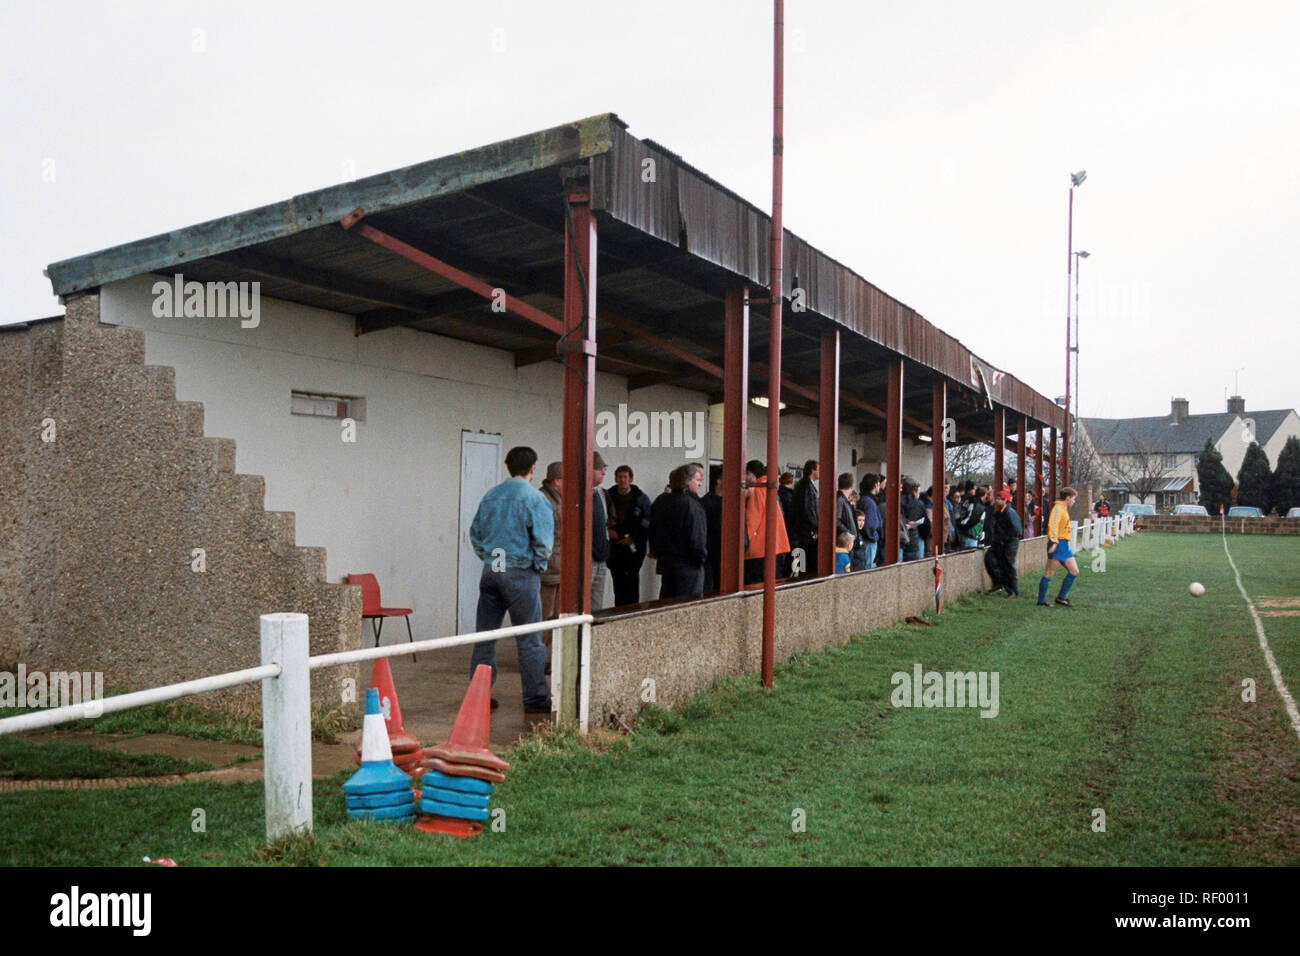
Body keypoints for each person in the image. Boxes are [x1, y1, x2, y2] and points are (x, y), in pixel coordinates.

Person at [468, 446, 553, 715]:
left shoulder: (491, 496)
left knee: (486, 636)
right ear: (533, 468)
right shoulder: (534, 498)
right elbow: (543, 541)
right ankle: (535, 698)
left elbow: (475, 533)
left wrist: (492, 558)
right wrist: (537, 566)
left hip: (493, 569)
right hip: (520, 571)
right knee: (528, 638)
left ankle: (479, 694)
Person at [649, 463, 709, 599]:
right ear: (687, 481)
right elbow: (697, 539)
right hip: (689, 566)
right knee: (688, 608)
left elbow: (652, 531)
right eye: (698, 480)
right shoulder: (693, 505)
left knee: (667, 604)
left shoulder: (661, 501)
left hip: (667, 565)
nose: (700, 484)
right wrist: (700, 559)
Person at [605, 465, 653, 607]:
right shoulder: (608, 496)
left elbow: (648, 521)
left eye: (625, 477)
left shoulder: (641, 498)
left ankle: (632, 613)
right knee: (618, 585)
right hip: (614, 548)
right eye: (620, 477)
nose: (623, 480)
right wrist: (608, 530)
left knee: (632, 584)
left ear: (631, 479)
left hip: (634, 549)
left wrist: (634, 538)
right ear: (615, 479)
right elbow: (600, 517)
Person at [744, 459, 791, 583]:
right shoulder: (770, 490)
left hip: (760, 551)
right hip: (778, 547)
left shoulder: (757, 490)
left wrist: (743, 546)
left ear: (750, 473)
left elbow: (751, 521)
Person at [1037, 486, 1080, 607]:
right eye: (1073, 499)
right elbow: (1052, 526)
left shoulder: (1063, 508)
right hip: (1057, 543)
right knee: (1049, 573)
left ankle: (1061, 598)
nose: (1074, 501)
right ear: (1067, 498)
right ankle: (1041, 601)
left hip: (1064, 544)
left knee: (1074, 571)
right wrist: (1054, 542)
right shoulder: (1057, 508)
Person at [984, 489, 1023, 597]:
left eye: (999, 499)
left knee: (1008, 564)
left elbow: (1016, 530)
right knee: (990, 558)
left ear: (1005, 500)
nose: (996, 501)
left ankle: (1013, 591)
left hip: (1009, 542)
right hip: (1001, 542)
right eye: (996, 498)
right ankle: (999, 582)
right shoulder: (1001, 512)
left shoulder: (1009, 512)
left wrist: (1003, 540)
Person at [539, 462, 563, 621]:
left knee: (557, 615)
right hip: (548, 567)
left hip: (559, 566)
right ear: (556, 481)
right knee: (545, 615)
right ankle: (539, 646)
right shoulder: (543, 499)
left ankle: (549, 646)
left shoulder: (560, 499)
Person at [791, 460, 819, 576]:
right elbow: (808, 510)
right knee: (804, 561)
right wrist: (816, 527)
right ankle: (801, 578)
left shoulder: (802, 485)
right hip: (804, 532)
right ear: (812, 471)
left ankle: (799, 575)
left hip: (800, 531)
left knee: (800, 559)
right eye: (819, 469)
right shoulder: (807, 487)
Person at [590, 452, 610, 611]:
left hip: (601, 556)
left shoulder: (601, 494)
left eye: (604, 469)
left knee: (597, 604)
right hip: (587, 557)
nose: (603, 473)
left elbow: (604, 523)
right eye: (599, 469)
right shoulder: (579, 493)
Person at [700, 465, 724, 593]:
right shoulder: (705, 503)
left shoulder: (731, 502)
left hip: (723, 557)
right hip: (710, 556)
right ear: (718, 481)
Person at [858, 473, 882, 568]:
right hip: (869, 541)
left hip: (866, 539)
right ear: (875, 485)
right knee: (869, 566)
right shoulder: (870, 502)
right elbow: (870, 524)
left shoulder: (863, 499)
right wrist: (873, 536)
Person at [954, 482, 986, 550]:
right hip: (970, 536)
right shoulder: (978, 505)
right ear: (984, 495)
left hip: (964, 533)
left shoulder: (968, 500)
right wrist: (964, 529)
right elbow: (972, 520)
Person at [900, 478, 926, 562]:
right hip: (914, 540)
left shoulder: (897, 502)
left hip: (900, 541)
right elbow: (925, 523)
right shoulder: (919, 504)